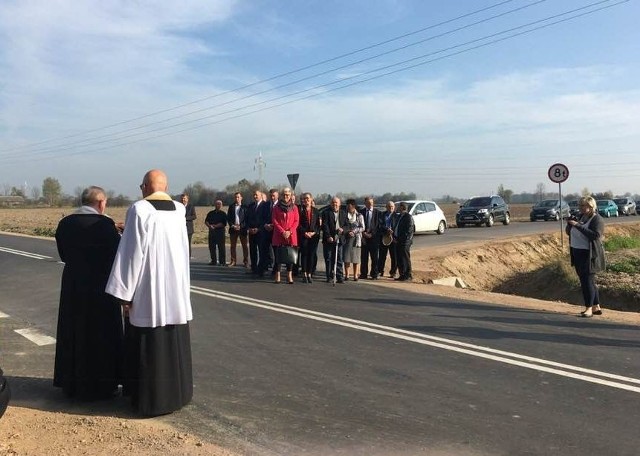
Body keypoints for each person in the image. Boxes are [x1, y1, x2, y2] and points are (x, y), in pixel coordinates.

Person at [106, 169, 193, 417]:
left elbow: (131, 254)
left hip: (149, 288)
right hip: (175, 285)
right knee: (173, 338)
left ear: (145, 187)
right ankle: (178, 394)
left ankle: (150, 399)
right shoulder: (179, 210)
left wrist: (123, 292)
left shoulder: (140, 210)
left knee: (147, 340)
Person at [54, 186, 123, 400]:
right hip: (100, 286)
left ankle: (71, 383)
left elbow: (63, 254)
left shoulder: (65, 223)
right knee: (101, 333)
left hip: (74, 285)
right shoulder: (105, 225)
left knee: (74, 332)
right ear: (101, 203)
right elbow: (116, 254)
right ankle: (103, 385)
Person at [566, 196, 606, 318]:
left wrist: (578, 225)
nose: (581, 208)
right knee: (589, 280)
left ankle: (588, 308)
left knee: (586, 281)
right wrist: (570, 224)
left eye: (583, 206)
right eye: (580, 205)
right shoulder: (581, 217)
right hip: (577, 252)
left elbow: (595, 235)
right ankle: (596, 306)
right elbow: (569, 232)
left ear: (591, 206)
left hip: (589, 254)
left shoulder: (597, 219)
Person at [272, 187, 300, 284]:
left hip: (291, 236)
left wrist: (290, 231)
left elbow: (296, 221)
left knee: (290, 256)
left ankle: (289, 275)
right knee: (278, 255)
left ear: (290, 195)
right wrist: (282, 231)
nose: (286, 196)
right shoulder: (276, 207)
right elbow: (274, 220)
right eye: (284, 194)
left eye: (288, 194)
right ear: (281, 195)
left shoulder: (294, 207)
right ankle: (278, 274)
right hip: (279, 235)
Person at [321, 197, 347, 283]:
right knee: (328, 258)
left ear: (339, 204)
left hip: (339, 239)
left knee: (339, 258)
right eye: (333, 202)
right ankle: (329, 276)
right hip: (329, 239)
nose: (334, 204)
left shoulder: (343, 213)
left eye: (336, 203)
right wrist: (328, 236)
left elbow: (347, 225)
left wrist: (343, 229)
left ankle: (339, 276)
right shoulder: (326, 213)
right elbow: (325, 226)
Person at [297, 192, 321, 283]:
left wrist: (314, 232)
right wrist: (305, 232)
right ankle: (304, 273)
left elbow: (318, 225)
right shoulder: (300, 210)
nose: (306, 200)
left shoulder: (316, 211)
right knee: (304, 255)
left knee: (311, 255)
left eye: (307, 198)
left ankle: (310, 273)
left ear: (311, 199)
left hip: (314, 236)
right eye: (304, 199)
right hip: (304, 236)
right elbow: (298, 224)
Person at [359, 196, 382, 279]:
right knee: (364, 257)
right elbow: (358, 224)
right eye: (368, 203)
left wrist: (372, 234)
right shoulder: (361, 212)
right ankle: (363, 273)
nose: (370, 204)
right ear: (365, 203)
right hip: (364, 238)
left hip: (374, 239)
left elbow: (379, 226)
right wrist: (363, 233)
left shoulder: (378, 213)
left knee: (375, 258)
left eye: (371, 203)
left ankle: (374, 274)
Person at [258, 189, 279, 276]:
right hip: (266, 231)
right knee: (264, 251)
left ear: (277, 196)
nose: (272, 197)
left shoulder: (280, 205)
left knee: (276, 252)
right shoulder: (265, 205)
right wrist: (265, 225)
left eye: (274, 195)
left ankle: (276, 270)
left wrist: (274, 226)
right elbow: (261, 217)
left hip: (276, 232)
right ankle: (262, 269)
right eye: (271, 195)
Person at [343, 199, 365, 281]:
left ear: (353, 206)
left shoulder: (359, 215)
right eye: (347, 206)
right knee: (347, 257)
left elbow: (362, 227)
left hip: (356, 239)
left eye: (349, 206)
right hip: (347, 238)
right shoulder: (345, 215)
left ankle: (355, 275)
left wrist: (354, 231)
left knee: (356, 258)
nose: (348, 207)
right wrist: (348, 231)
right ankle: (347, 274)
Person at [394, 201, 415, 281]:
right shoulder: (399, 216)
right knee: (399, 258)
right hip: (397, 241)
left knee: (405, 258)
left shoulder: (408, 217)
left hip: (405, 242)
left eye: (399, 206)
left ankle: (408, 274)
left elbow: (408, 231)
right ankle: (402, 274)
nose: (397, 208)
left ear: (402, 207)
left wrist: (401, 239)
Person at [227, 192, 248, 267]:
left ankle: (246, 262)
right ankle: (233, 261)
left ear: (241, 198)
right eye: (236, 197)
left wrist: (241, 226)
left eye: (238, 197)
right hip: (233, 229)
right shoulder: (231, 207)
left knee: (244, 246)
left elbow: (247, 219)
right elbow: (228, 218)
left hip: (242, 229)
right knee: (233, 246)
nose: (237, 198)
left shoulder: (245, 207)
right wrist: (232, 225)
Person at [378, 201, 398, 278]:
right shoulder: (382, 215)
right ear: (386, 207)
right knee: (382, 256)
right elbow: (380, 224)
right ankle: (380, 271)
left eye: (392, 207)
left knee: (394, 256)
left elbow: (397, 226)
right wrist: (386, 229)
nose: (391, 208)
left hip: (393, 238)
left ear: (394, 207)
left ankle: (393, 272)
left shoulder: (396, 216)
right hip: (384, 237)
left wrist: (392, 231)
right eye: (389, 207)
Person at [246, 190, 264, 275]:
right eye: (254, 195)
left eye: (257, 195)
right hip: (251, 232)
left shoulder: (265, 205)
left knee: (261, 251)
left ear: (261, 195)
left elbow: (265, 219)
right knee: (252, 251)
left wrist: (258, 229)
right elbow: (247, 218)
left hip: (260, 232)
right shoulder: (250, 206)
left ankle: (261, 269)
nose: (255, 196)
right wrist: (249, 228)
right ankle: (254, 268)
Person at [204, 200, 227, 265]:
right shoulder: (210, 213)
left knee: (221, 247)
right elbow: (206, 221)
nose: (218, 205)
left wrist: (215, 226)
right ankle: (213, 261)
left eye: (219, 204)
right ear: (215, 205)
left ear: (221, 205)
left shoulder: (223, 213)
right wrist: (209, 226)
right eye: (217, 204)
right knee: (212, 247)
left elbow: (224, 223)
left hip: (220, 232)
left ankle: (222, 262)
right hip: (212, 232)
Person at [181, 193, 197, 259]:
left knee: (188, 243)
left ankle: (188, 256)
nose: (183, 200)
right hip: (180, 228)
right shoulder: (179, 206)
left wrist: (185, 218)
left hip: (189, 228)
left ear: (187, 199)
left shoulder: (191, 206)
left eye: (184, 198)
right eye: (182, 198)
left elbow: (194, 216)